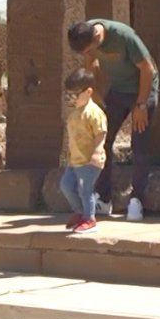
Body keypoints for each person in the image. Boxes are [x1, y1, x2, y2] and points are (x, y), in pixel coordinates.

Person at [67, 18, 159, 222]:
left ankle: (137, 200)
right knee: (102, 139)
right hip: (118, 89)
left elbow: (147, 69)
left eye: (88, 49)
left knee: (139, 145)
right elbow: (91, 65)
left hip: (143, 89)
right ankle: (104, 197)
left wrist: (141, 104)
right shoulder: (87, 37)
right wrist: (96, 96)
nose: (87, 54)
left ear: (98, 37)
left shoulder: (124, 36)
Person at [58, 69, 107, 234]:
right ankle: (79, 211)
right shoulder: (73, 115)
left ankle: (89, 218)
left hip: (90, 160)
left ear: (88, 92)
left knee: (85, 189)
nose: (71, 100)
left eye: (74, 95)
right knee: (66, 185)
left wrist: (97, 151)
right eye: (68, 96)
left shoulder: (94, 113)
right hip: (75, 160)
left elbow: (101, 133)